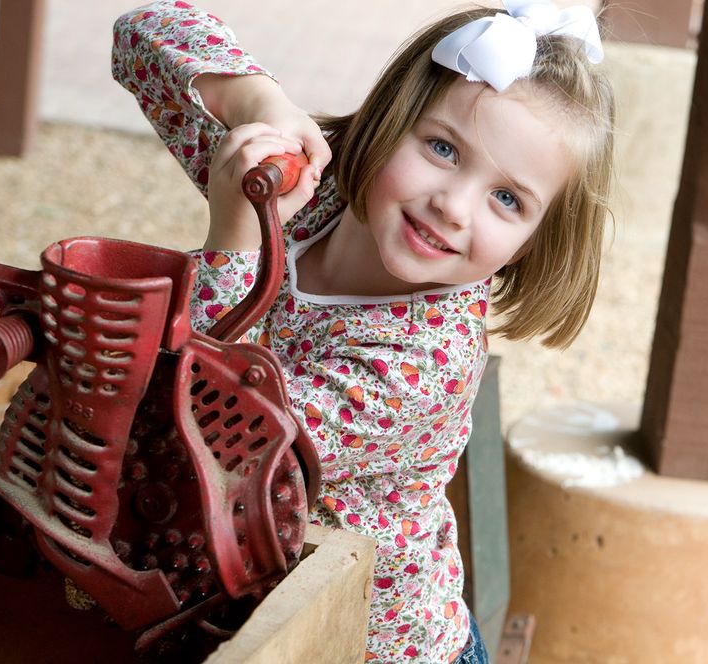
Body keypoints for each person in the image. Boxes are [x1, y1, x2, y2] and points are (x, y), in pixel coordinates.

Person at [112, 1, 614, 661]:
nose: (452, 205)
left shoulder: (427, 358)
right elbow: (140, 37)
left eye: (507, 199)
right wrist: (260, 102)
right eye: (441, 148)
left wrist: (233, 239)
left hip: (360, 647)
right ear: (390, 119)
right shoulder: (312, 193)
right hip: (246, 606)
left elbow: (215, 448)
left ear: (530, 243)